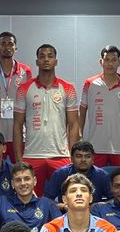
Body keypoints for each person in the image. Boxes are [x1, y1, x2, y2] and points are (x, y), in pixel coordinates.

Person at [12, 44, 77, 194]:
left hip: (61, 155)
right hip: (31, 155)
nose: (46, 59)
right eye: (42, 56)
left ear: (56, 61)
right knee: (31, 200)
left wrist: (72, 157)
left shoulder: (68, 88)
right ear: (37, 62)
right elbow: (17, 125)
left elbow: (73, 125)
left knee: (66, 197)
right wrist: (19, 158)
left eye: (50, 56)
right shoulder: (24, 89)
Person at [80, 45, 120, 166]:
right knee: (94, 183)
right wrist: (79, 137)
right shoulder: (90, 84)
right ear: (101, 62)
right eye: (107, 60)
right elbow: (82, 112)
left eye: (114, 60)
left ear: (119, 62)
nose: (110, 64)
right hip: (95, 146)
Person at [42, 141, 111, 203]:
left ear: (93, 159)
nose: (83, 160)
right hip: (66, 213)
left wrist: (99, 206)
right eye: (79, 156)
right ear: (71, 159)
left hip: (94, 213)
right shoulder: (60, 174)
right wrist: (63, 206)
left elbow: (114, 199)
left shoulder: (102, 175)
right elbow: (47, 200)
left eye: (87, 156)